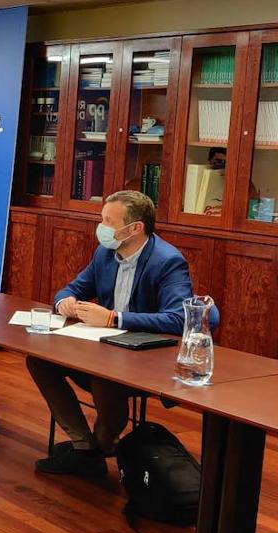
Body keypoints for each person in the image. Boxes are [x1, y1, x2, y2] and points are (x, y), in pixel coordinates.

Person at [28, 190, 206, 477]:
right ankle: (84, 446)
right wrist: (64, 302)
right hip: (103, 347)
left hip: (145, 357)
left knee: (105, 378)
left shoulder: (167, 261)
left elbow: (177, 319)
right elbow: (71, 288)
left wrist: (114, 318)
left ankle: (102, 444)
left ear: (135, 228)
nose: (101, 228)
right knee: (39, 360)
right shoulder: (105, 253)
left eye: (109, 222)